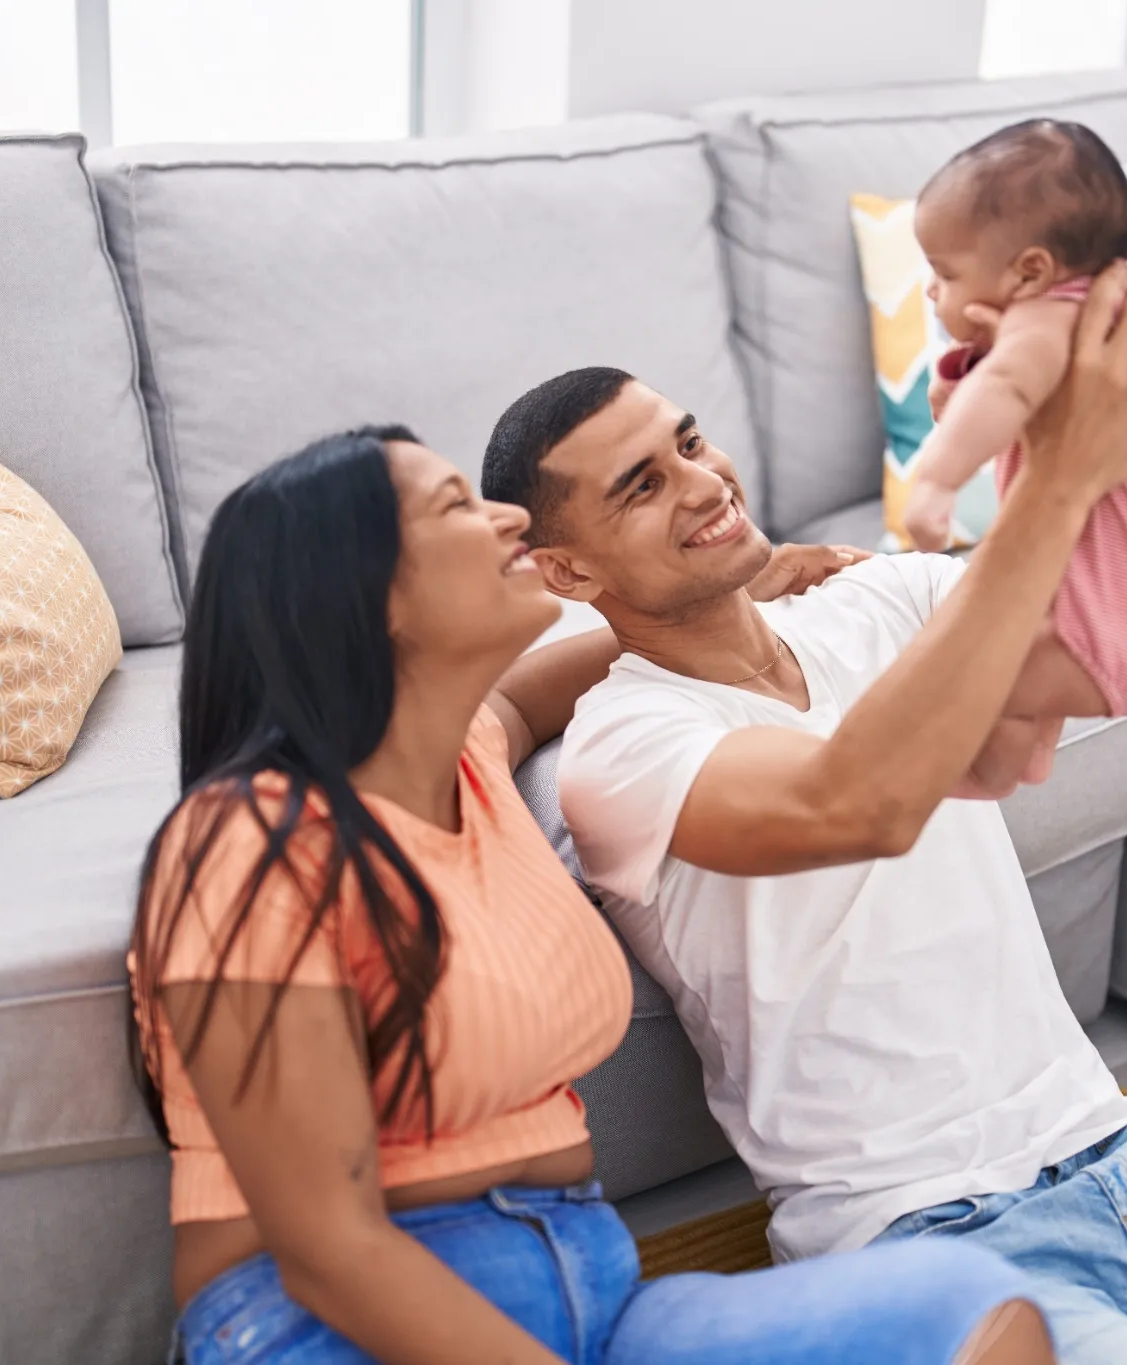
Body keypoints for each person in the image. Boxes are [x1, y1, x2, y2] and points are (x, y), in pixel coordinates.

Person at [479, 268, 1127, 1364]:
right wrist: (1058, 484)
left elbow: (1123, 658)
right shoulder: (623, 747)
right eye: (641, 486)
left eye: (688, 442)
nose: (699, 482)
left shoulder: (873, 603)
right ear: (565, 568)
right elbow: (854, 803)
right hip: (919, 1237)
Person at [125, 425, 1060, 1364]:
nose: (507, 520)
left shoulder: (465, 767)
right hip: (336, 1326)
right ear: (364, 597)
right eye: (457, 505)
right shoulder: (248, 843)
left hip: (593, 1299)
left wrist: (722, 594)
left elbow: (526, 699)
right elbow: (328, 1249)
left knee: (972, 1308)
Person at [900, 119, 1127, 793]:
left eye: (945, 272)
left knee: (995, 670)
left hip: (1125, 627)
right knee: (1029, 641)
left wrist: (934, 482)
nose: (932, 291)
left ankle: (986, 771)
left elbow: (1005, 387)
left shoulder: (1048, 317)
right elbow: (994, 395)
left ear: (1031, 272)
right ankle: (1032, 743)